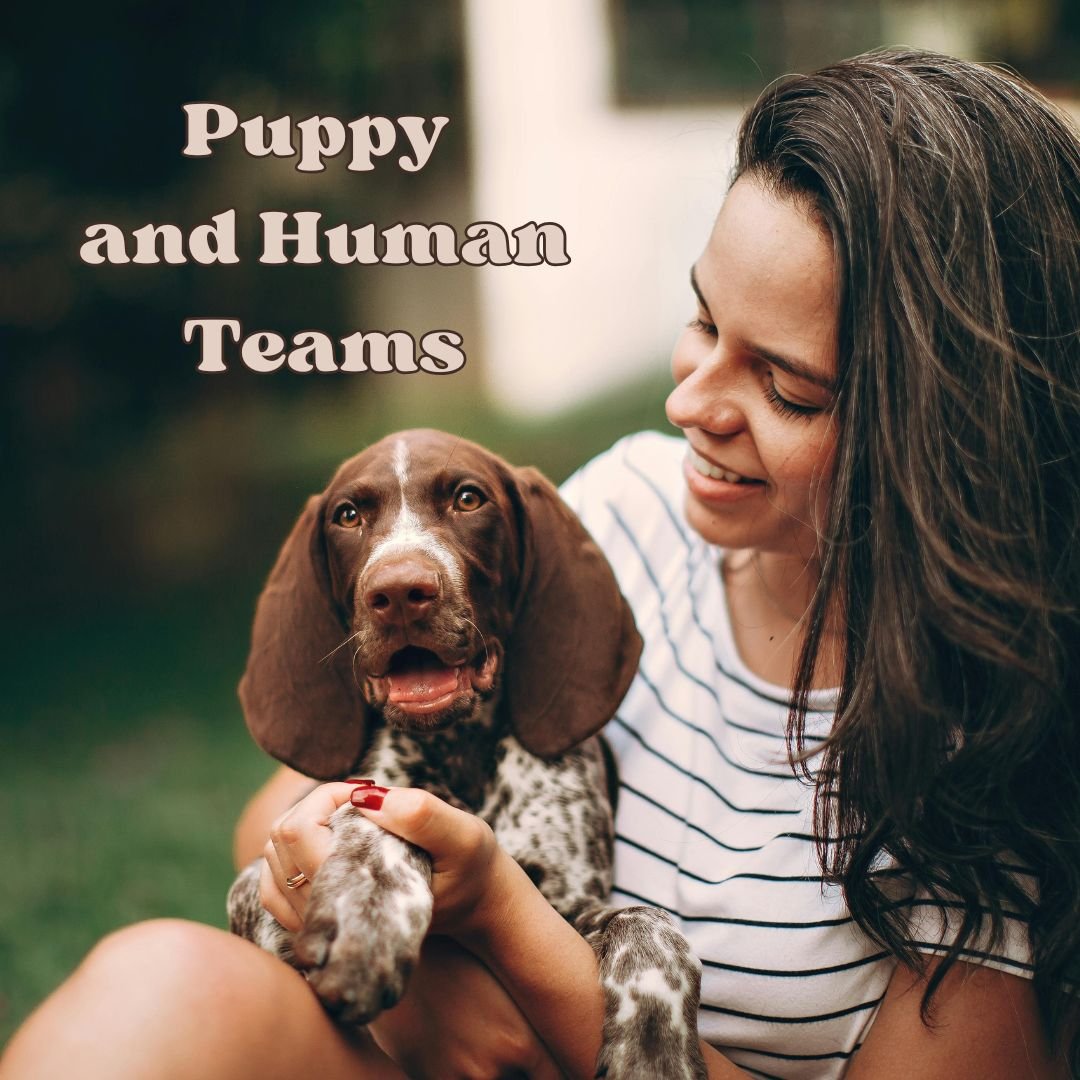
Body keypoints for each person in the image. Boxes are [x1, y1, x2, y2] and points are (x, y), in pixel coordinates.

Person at [3, 48, 1077, 1079]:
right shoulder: (631, 513)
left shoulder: (995, 746)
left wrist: (510, 934)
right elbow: (286, 805)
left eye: (787, 386)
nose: (690, 403)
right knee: (165, 985)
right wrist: (424, 987)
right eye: (702, 321)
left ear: (949, 430)